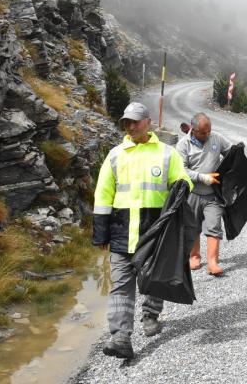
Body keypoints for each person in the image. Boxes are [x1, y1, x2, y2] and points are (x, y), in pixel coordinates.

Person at [92, 102, 194, 359]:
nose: (131, 126)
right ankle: (120, 337)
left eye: (136, 121)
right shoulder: (115, 155)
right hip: (121, 231)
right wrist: (101, 233)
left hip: (153, 230)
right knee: (121, 285)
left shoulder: (167, 154)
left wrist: (183, 186)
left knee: (152, 277)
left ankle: (150, 316)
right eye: (127, 121)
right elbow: (103, 195)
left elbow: (184, 181)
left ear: (148, 122)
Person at [176, 112, 233, 276]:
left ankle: (213, 262)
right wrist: (202, 177)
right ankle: (194, 256)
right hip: (192, 193)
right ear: (193, 130)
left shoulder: (216, 138)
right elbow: (181, 170)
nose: (207, 135)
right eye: (203, 132)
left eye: (209, 131)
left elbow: (230, 154)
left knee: (214, 225)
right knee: (192, 226)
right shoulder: (183, 145)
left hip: (213, 194)